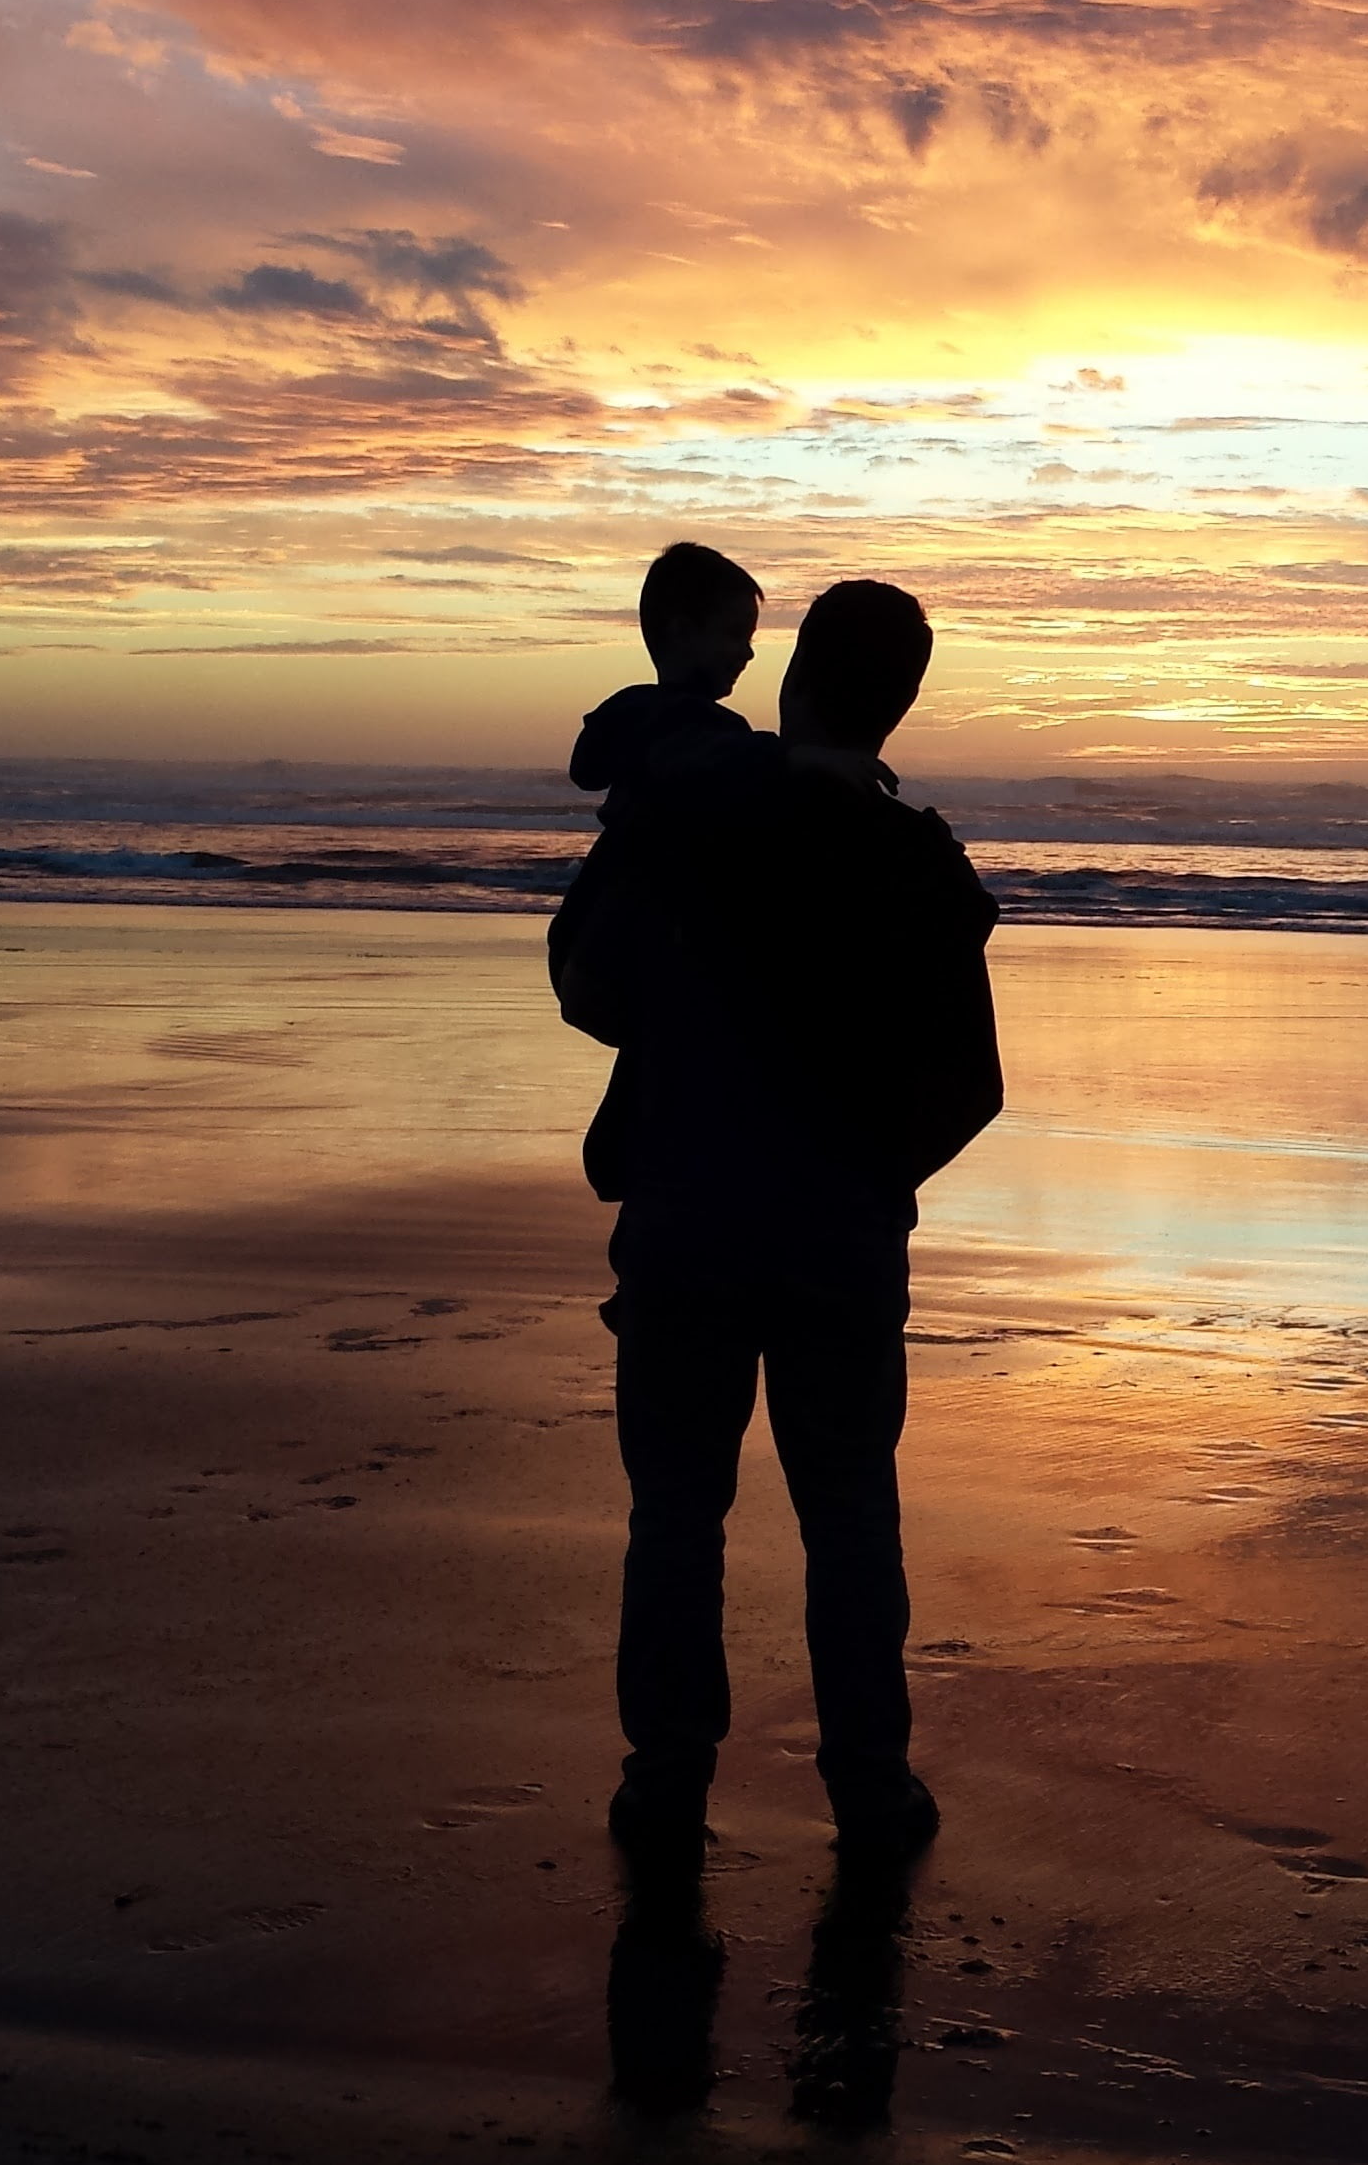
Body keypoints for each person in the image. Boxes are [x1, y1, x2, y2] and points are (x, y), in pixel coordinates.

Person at [549, 578, 1003, 1867]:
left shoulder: (689, 821)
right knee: (851, 1516)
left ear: (796, 675)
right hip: (838, 1243)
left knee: (677, 1517)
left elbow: (587, 988)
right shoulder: (915, 861)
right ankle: (869, 1783)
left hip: (689, 1220)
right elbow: (970, 1088)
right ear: (900, 701)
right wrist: (869, 1175)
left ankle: (666, 1783)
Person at [569, 542, 761, 824]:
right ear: (682, 632)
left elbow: (586, 772)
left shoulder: (626, 715)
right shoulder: (708, 729)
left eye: (749, 639)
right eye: (734, 635)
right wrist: (797, 756)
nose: (748, 653)